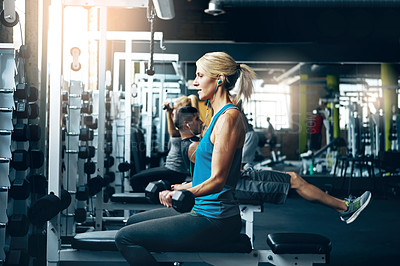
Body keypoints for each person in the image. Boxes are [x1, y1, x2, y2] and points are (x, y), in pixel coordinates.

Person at [115, 51, 256, 265]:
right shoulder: (215, 116)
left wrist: (186, 191)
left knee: (125, 237)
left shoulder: (229, 117)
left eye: (200, 76)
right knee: (132, 222)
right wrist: (181, 187)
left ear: (219, 78)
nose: (195, 82)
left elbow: (218, 180)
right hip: (201, 208)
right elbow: (208, 173)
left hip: (215, 219)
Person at [129, 95, 192, 192]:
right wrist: (171, 112)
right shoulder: (182, 124)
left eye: (175, 108)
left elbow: (173, 133)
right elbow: (175, 127)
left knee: (135, 180)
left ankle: (145, 204)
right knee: (138, 177)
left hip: (175, 171)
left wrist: (168, 113)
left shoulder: (186, 126)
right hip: (171, 168)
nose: (173, 110)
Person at [173, 105, 202, 177]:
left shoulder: (192, 141)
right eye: (197, 119)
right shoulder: (194, 146)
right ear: (187, 124)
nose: (201, 122)